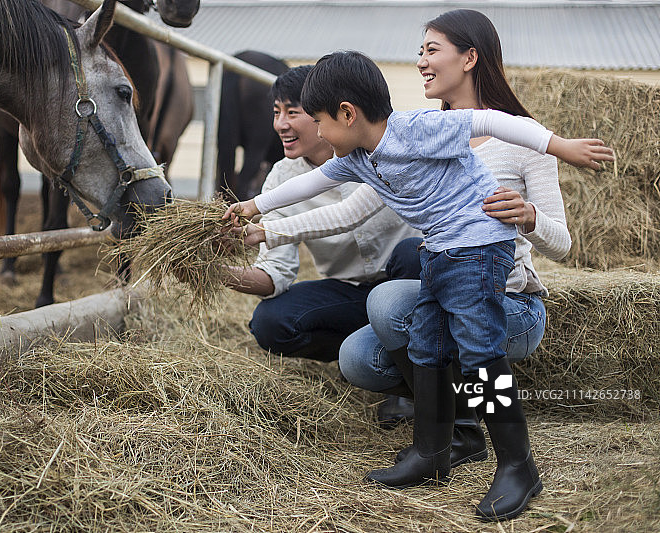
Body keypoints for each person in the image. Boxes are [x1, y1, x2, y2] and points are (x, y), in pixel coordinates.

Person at [223, 49, 613, 521]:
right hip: (441, 252)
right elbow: (310, 186)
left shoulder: (415, 129)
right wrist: (255, 210)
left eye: (320, 121)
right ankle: (431, 453)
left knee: (480, 350)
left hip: (479, 245)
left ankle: (517, 464)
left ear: (347, 114)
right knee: (427, 343)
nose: (319, 133)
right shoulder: (358, 158)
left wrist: (560, 146)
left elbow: (492, 121)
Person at [222, 65, 423, 362]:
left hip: (406, 281)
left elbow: (346, 215)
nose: (280, 124)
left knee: (412, 253)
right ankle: (364, 352)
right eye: (276, 112)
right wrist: (214, 272)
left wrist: (260, 227)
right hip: (350, 295)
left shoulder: (379, 153)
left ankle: (402, 362)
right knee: (269, 321)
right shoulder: (282, 177)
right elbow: (274, 271)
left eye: (293, 112)